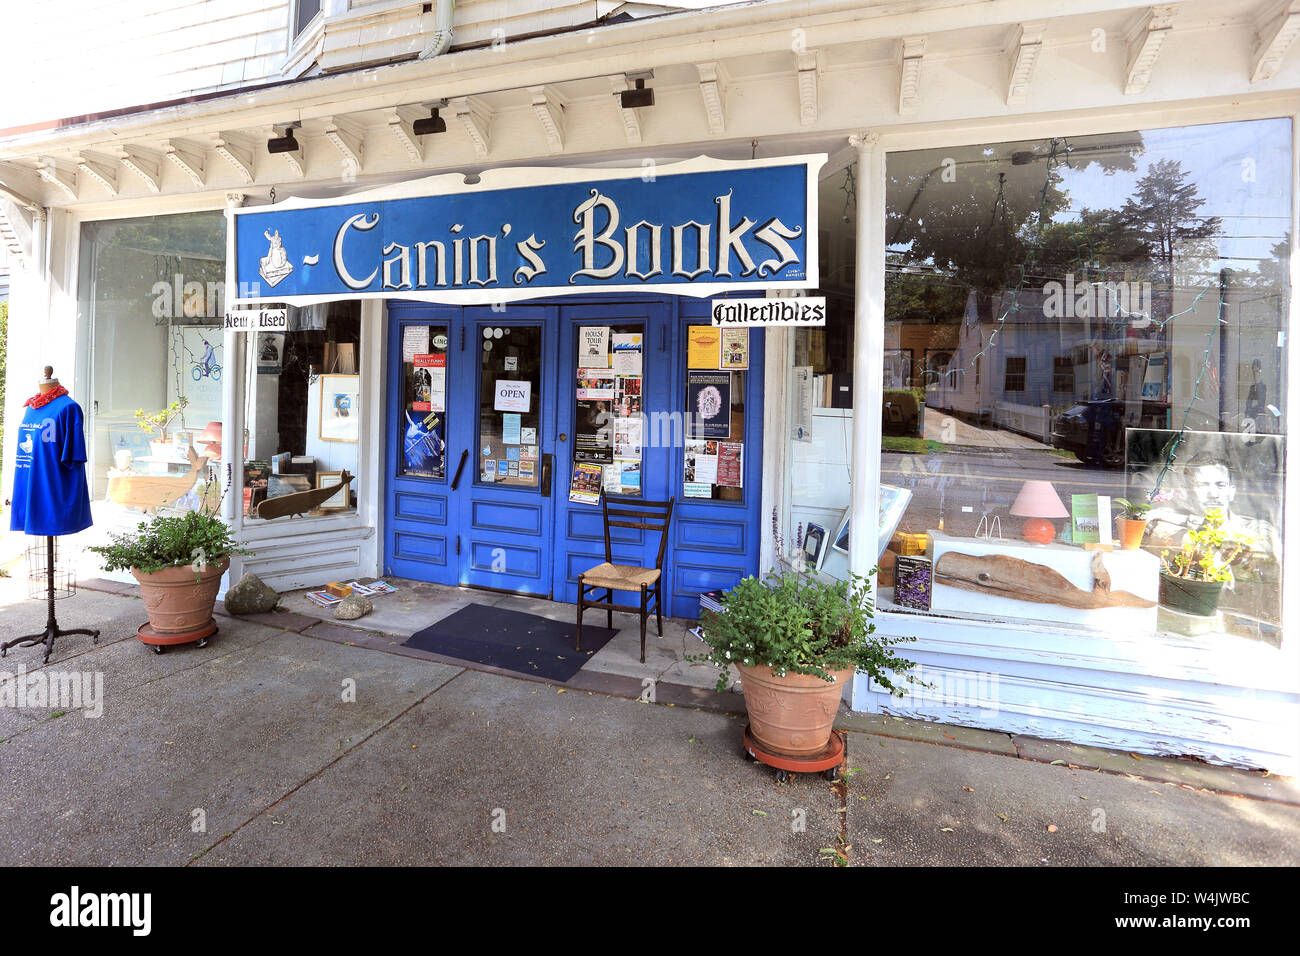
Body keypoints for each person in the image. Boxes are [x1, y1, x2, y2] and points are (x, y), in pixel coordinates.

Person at [1145, 453, 1280, 560]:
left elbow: (1263, 551)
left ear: (1232, 491)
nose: (1213, 494)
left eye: (1221, 485)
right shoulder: (1165, 518)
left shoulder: (1259, 528)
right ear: (1187, 491)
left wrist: (1188, 520)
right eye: (1202, 485)